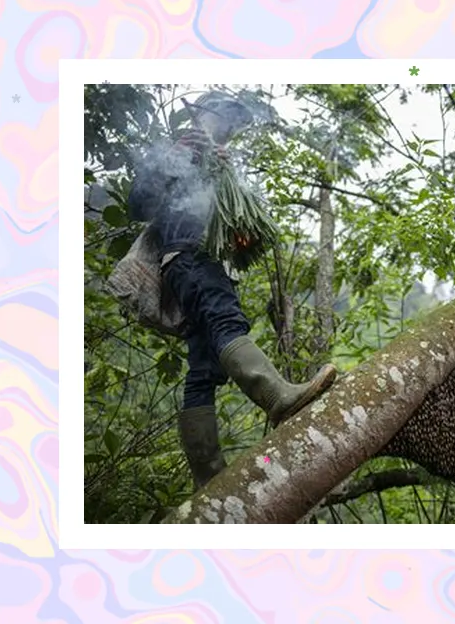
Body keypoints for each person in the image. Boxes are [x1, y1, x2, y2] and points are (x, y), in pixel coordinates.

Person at [127, 92, 338, 491]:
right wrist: (174, 155)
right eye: (225, 121)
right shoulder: (177, 152)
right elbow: (138, 204)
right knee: (226, 320)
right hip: (189, 260)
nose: (229, 130)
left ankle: (207, 477)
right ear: (207, 115)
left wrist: (227, 175)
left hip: (203, 263)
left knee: (204, 370)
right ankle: (276, 395)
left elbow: (240, 233)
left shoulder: (220, 162)